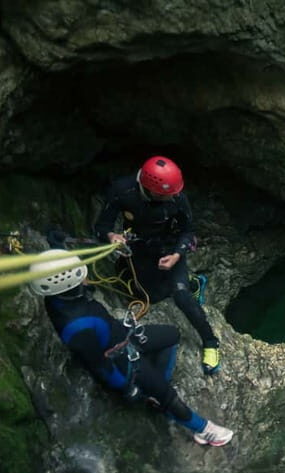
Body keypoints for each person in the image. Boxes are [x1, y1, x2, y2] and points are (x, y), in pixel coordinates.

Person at [29, 250, 234, 446]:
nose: (87, 276)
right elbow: (100, 365)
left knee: (172, 335)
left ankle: (158, 384)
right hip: (122, 361)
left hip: (123, 336)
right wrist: (127, 387)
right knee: (168, 397)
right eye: (80, 275)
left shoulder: (59, 299)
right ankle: (204, 430)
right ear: (68, 285)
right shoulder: (77, 328)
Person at [94, 156, 221, 375]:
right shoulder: (122, 191)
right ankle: (193, 283)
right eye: (166, 194)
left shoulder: (177, 197)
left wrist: (177, 254)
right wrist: (111, 235)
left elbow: (188, 231)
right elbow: (102, 225)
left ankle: (210, 342)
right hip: (140, 249)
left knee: (179, 294)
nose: (173, 196)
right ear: (149, 188)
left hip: (169, 247)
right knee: (150, 297)